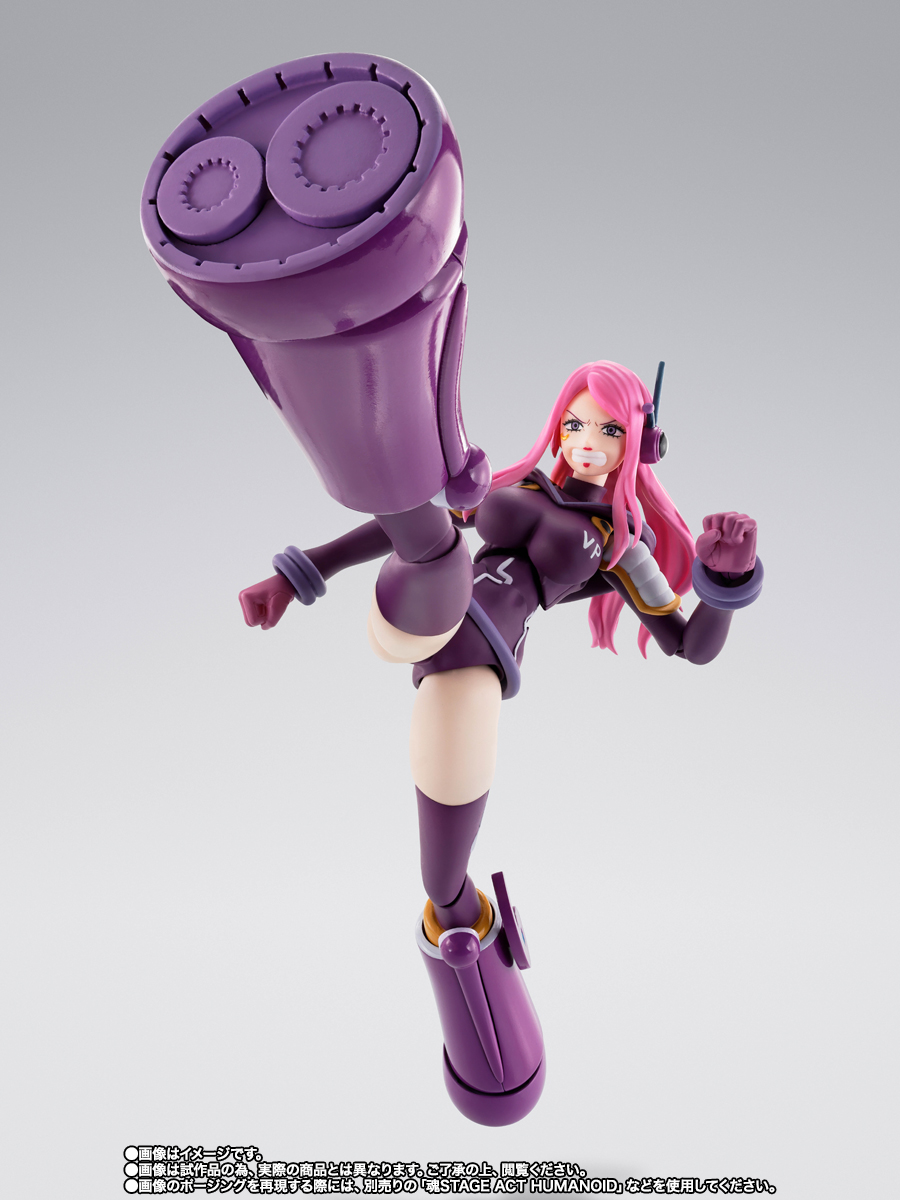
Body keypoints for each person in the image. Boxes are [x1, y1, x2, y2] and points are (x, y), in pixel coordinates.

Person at [239, 361, 763, 1125]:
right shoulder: (505, 488)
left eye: (608, 430)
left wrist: (726, 584)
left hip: (474, 668)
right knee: (430, 534)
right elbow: (403, 525)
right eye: (575, 423)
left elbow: (690, 644)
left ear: (639, 445)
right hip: (429, 606)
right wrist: (300, 575)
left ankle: (493, 1052)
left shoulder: (618, 545)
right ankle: (354, 394)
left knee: (443, 885)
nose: (586, 442)